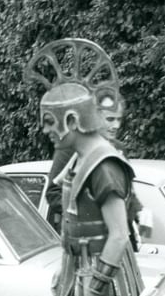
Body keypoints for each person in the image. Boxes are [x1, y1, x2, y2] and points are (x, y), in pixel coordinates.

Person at [26, 38, 142, 296]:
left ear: (72, 121)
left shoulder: (104, 165)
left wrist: (96, 287)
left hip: (105, 286)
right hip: (79, 272)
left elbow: (119, 235)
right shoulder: (80, 160)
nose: (45, 131)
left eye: (49, 122)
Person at [44, 87, 143, 245]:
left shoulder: (118, 149)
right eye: (110, 119)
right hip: (87, 243)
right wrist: (89, 214)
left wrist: (137, 214)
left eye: (119, 119)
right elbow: (53, 192)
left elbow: (126, 192)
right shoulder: (71, 148)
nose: (116, 125)